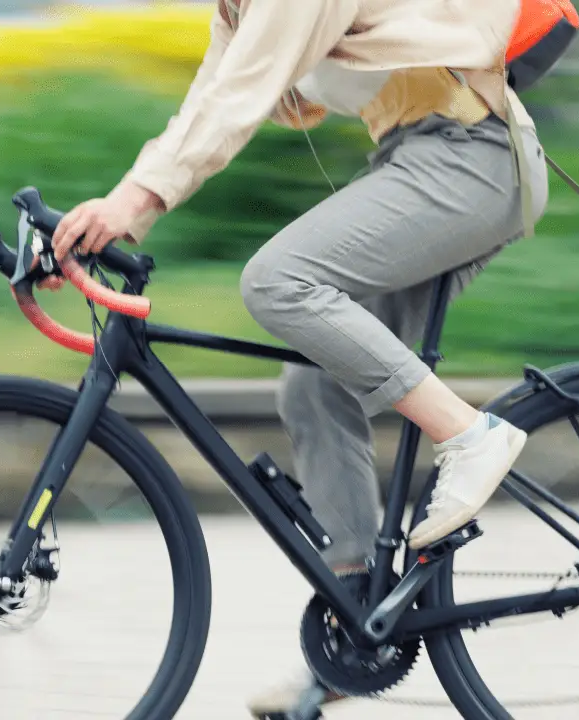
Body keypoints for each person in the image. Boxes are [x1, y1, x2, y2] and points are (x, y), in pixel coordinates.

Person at [44, 0, 549, 714]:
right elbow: (218, 96)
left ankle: (469, 434)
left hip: (470, 156)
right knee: (315, 386)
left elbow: (240, 96)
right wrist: (115, 215)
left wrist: (132, 201)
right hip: (419, 158)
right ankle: (355, 632)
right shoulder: (237, 8)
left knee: (277, 281)